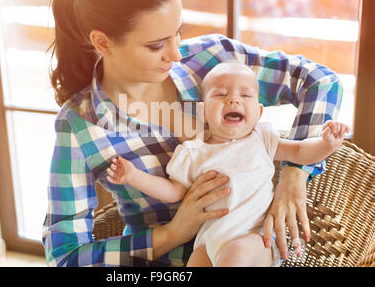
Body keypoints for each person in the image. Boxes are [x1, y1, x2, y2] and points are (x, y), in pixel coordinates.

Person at [42, 0, 344, 267]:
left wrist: (294, 175)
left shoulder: (212, 61)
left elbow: (321, 82)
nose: (175, 54)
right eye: (156, 44)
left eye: (178, 33)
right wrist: (173, 233)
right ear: (103, 43)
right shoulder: (80, 126)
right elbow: (66, 256)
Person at [105, 61, 350, 266]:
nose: (234, 100)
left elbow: (300, 152)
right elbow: (172, 192)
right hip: (208, 242)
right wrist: (134, 177)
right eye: (221, 94)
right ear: (202, 113)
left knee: (237, 255)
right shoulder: (193, 151)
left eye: (245, 95)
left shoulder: (262, 139)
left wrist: (327, 144)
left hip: (254, 239)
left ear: (259, 112)